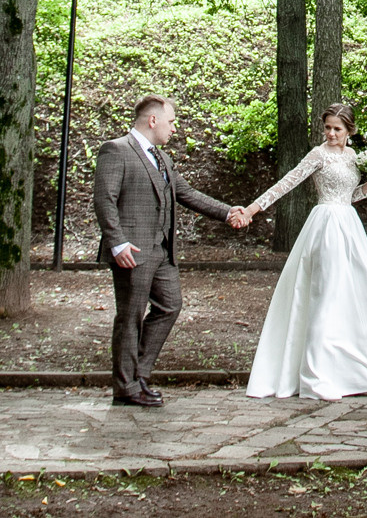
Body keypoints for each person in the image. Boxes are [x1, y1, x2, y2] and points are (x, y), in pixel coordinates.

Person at [92, 94, 249, 408]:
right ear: (153, 120)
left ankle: (139, 375)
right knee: (130, 318)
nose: (174, 128)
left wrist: (227, 212)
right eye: (172, 121)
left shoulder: (163, 158)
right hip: (132, 251)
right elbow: (104, 200)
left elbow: (186, 193)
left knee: (170, 305)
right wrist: (117, 242)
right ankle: (126, 388)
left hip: (163, 253)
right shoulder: (116, 150)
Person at [238, 101, 367, 399]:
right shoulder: (318, 155)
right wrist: (253, 208)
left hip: (350, 228)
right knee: (327, 298)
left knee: (363, 299)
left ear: (349, 131)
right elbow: (286, 183)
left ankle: (358, 377)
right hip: (325, 228)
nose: (331, 134)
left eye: (337, 129)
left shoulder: (354, 156)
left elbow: (348, 195)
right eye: (328, 128)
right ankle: (316, 379)